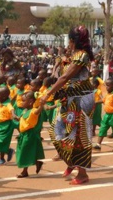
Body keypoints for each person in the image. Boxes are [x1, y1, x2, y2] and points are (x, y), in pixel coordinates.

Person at [39, 26, 95, 185]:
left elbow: (64, 78)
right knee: (56, 131)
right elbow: (59, 75)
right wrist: (58, 63)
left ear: (72, 40)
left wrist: (47, 94)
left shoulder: (82, 56)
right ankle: (71, 162)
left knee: (78, 136)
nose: (68, 43)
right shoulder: (72, 55)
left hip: (81, 100)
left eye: (69, 40)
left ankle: (82, 173)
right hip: (68, 99)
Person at [15, 91, 46, 178]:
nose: (21, 102)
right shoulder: (25, 110)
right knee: (26, 151)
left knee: (24, 153)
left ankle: (24, 171)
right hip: (23, 134)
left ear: (30, 102)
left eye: (23, 100)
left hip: (29, 135)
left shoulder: (33, 111)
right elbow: (21, 119)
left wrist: (42, 104)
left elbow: (38, 111)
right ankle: (37, 162)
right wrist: (16, 117)